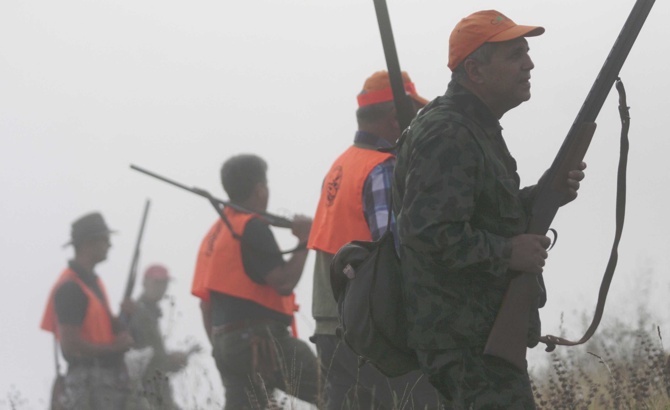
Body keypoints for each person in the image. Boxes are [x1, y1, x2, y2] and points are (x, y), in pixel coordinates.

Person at [392, 10, 587, 409]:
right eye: (515, 55)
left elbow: (484, 214)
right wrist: (508, 252)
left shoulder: (471, 127)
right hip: (466, 346)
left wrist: (544, 195)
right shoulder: (450, 131)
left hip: (476, 341)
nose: (529, 64)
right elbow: (427, 232)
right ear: (475, 71)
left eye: (526, 53)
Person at [308, 70, 441, 409]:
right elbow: (398, 254)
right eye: (412, 115)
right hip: (369, 333)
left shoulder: (340, 166)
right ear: (396, 119)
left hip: (330, 329)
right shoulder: (382, 167)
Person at [190, 154, 319, 409]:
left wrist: (218, 348)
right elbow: (283, 282)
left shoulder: (216, 234)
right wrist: (305, 240)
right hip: (261, 340)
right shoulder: (252, 227)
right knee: (337, 391)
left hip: (225, 344)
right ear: (260, 189)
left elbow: (205, 305)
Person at [40, 212, 134, 410]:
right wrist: (113, 348)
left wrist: (123, 321)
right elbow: (70, 344)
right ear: (88, 243)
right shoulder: (71, 288)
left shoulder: (92, 283)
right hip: (86, 384)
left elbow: (99, 329)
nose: (110, 245)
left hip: (104, 381)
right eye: (105, 239)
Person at [128, 264, 199, 409]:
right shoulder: (140, 313)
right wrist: (170, 360)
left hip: (154, 389)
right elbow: (144, 359)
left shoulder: (149, 312)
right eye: (157, 282)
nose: (161, 288)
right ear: (145, 282)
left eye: (164, 283)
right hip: (146, 392)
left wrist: (171, 360)